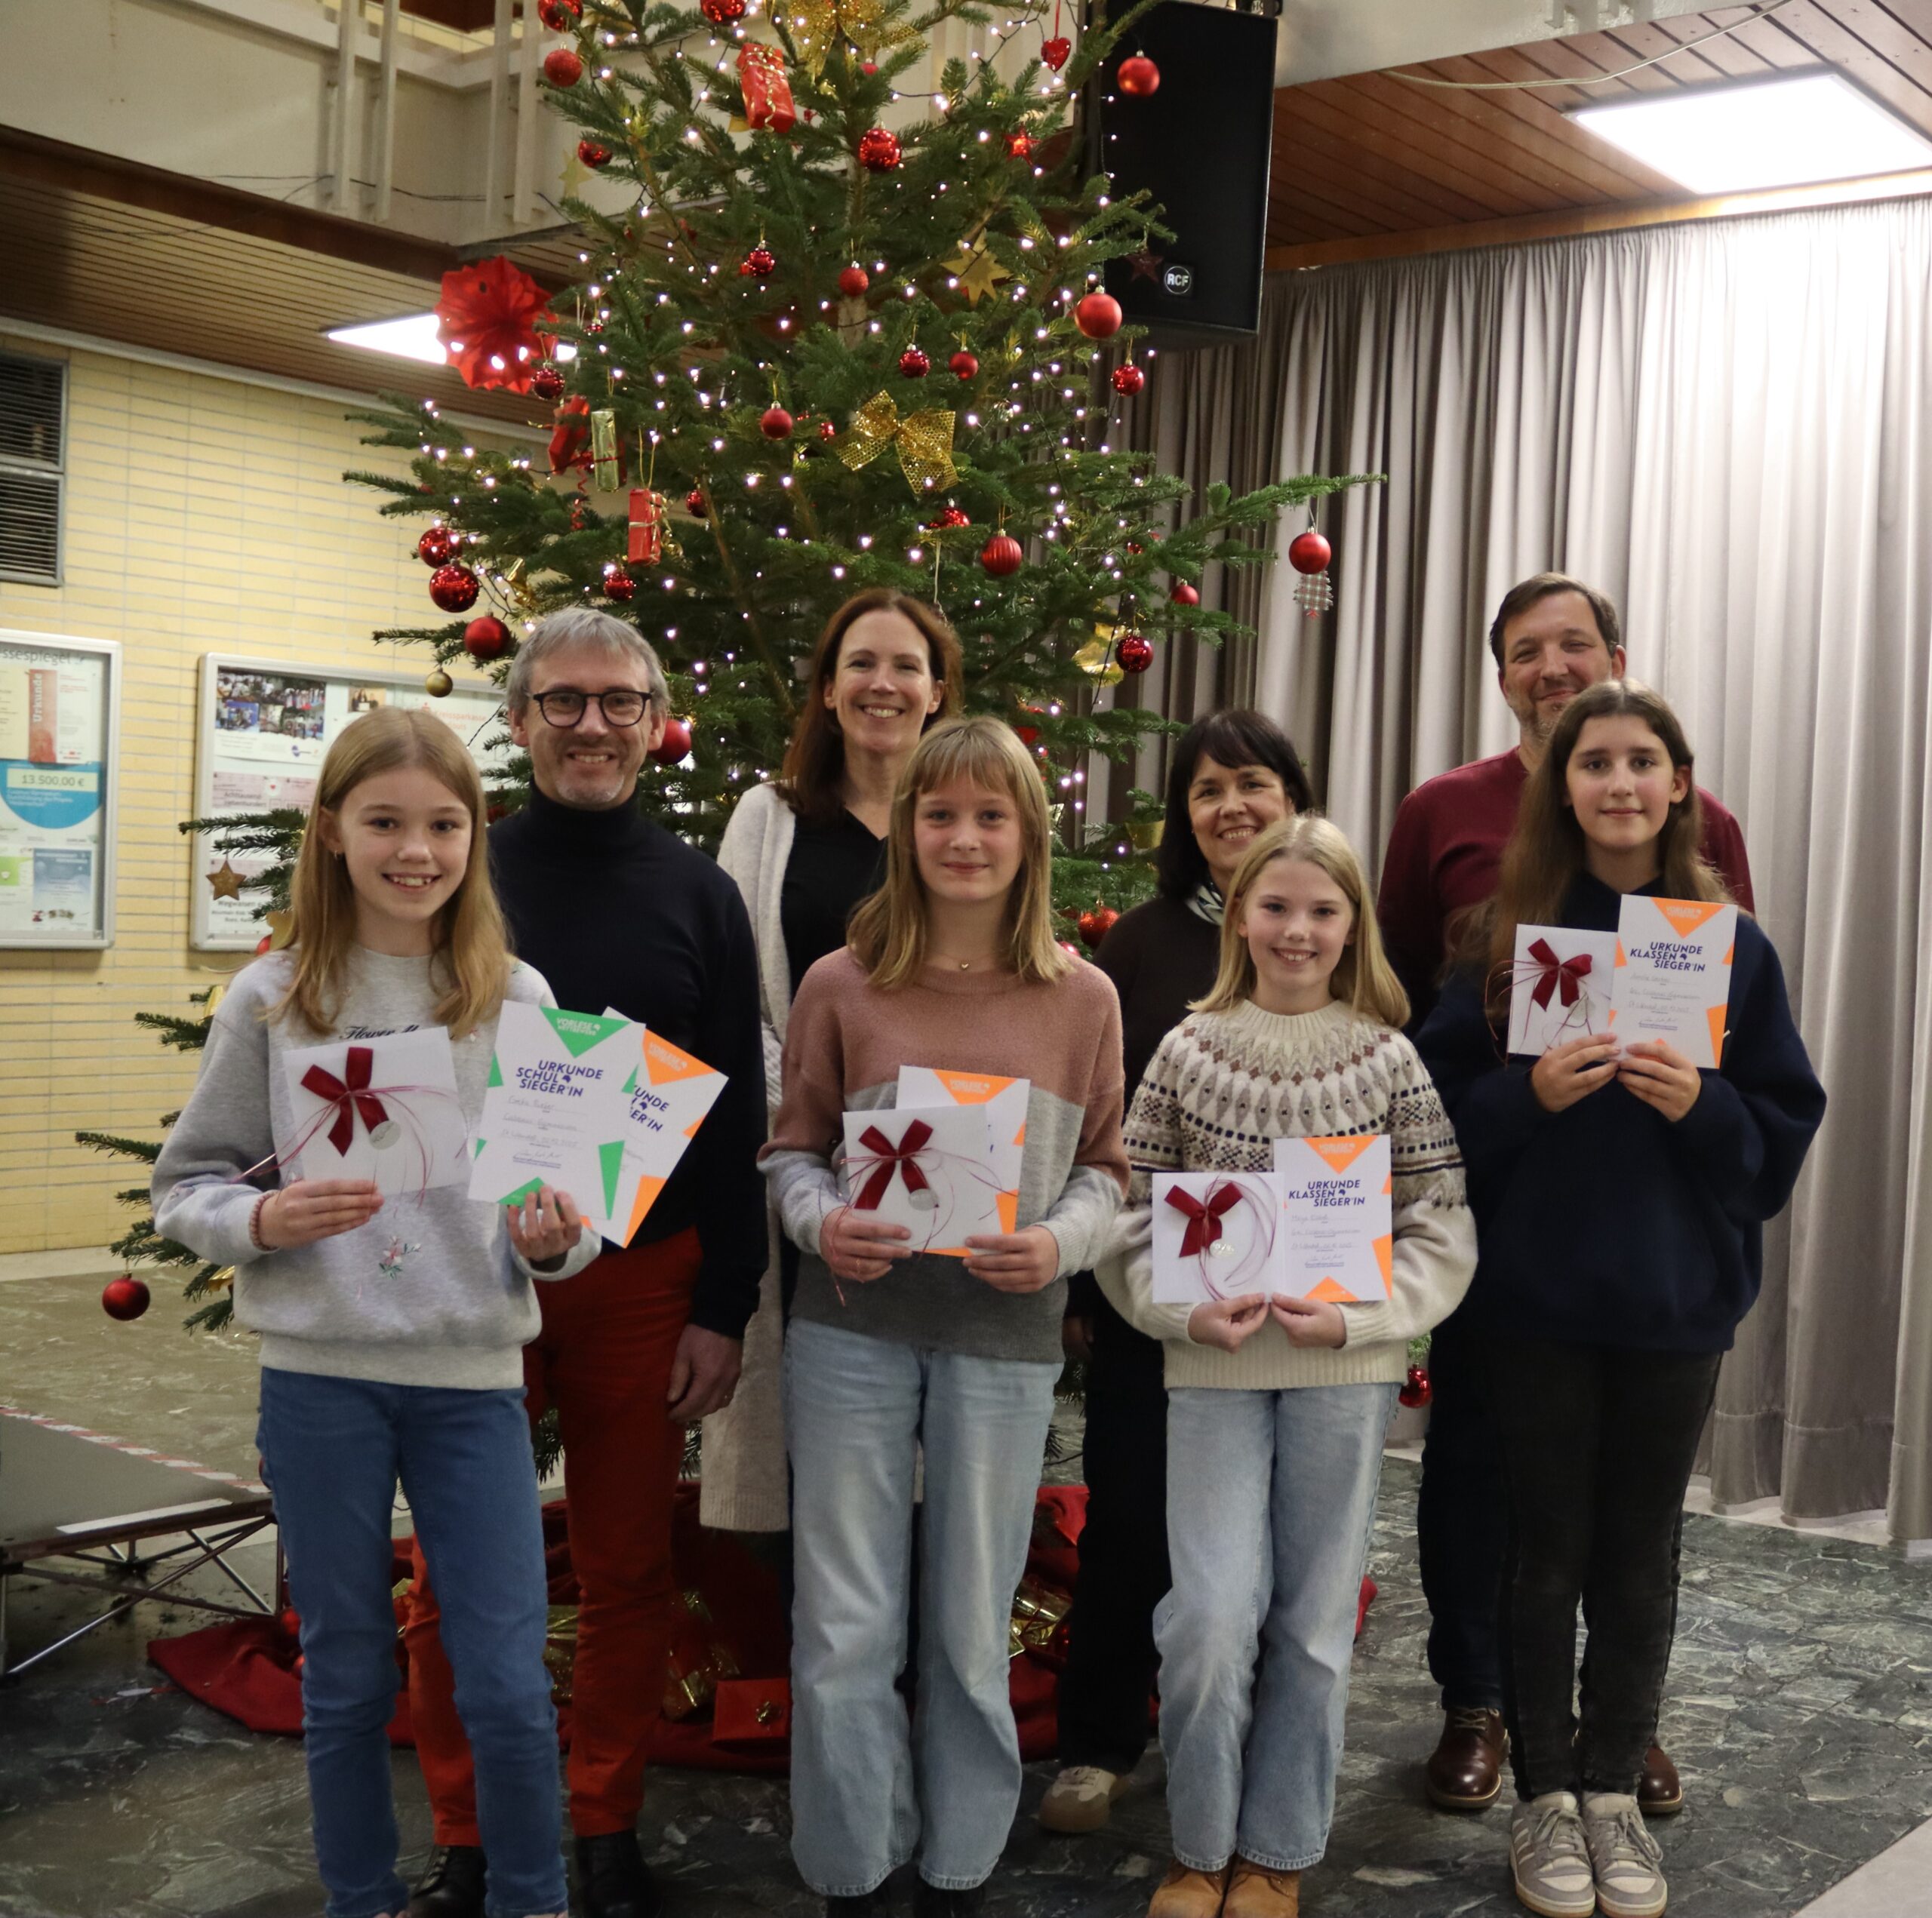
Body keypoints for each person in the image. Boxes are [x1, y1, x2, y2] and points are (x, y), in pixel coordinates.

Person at [152, 707, 599, 1918]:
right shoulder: (273, 996)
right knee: (346, 1675)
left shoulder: (517, 994)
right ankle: (359, 1897)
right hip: (319, 1379)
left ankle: (531, 1897)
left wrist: (555, 1240)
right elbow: (187, 1185)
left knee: (507, 1681)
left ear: (476, 835)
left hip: (472, 1383)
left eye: (445, 824)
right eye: (387, 821)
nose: (417, 850)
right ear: (333, 832)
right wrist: (262, 1223)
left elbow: (573, 1207)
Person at [1416, 681, 1823, 1918]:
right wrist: (1523, 1099)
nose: (1620, 782)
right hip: (1529, 1301)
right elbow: (1429, 1129)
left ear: (1679, 784)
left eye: (1644, 760)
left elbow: (1781, 1130)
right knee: (1543, 1556)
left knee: (1639, 1556)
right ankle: (1544, 1798)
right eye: (1596, 762)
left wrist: (1698, 1104)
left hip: (1671, 1302)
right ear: (1564, 785)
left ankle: (1608, 1794)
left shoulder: (1728, 944)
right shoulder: (1504, 936)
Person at [405, 610, 766, 1918]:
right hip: (472, 1273)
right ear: (520, 719)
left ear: (657, 719)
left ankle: (606, 1824)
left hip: (640, 1275)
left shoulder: (699, 894)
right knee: (458, 1567)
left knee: (623, 1569)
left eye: (620, 702)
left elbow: (733, 1113)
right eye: (563, 702)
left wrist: (722, 1304)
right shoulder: (458, 869)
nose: (593, 725)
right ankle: (468, 1836)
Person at [1376, 573, 1754, 1815]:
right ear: (1503, 680)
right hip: (1504, 1246)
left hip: (1649, 1253)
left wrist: (1698, 1122)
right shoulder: (1450, 827)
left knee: (1629, 1519)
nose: (1551, 664)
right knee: (1488, 1480)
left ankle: (1612, 1722)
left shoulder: (1713, 866)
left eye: (1573, 645)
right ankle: (1482, 1704)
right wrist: (1501, 1110)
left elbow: (1747, 1048)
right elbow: (1401, 1022)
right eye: (1526, 650)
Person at [763, 716, 1128, 1916]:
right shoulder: (841, 982)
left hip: (1004, 1337)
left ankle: (960, 1865)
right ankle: (853, 1869)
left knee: (972, 1623)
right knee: (845, 1621)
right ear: (906, 830)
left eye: (992, 815)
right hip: (851, 1331)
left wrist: (1059, 1243)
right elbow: (792, 1152)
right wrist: (821, 1223)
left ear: (1030, 835)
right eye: (941, 814)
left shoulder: (1081, 997)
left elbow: (1110, 1174)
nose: (965, 838)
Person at [1100, 814, 1476, 1918]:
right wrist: (1178, 1309)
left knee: (1312, 1619)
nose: (1298, 929)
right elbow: (1132, 1213)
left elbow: (1440, 1217)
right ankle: (1201, 1839)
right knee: (1211, 1614)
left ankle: (1279, 1845)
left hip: (1339, 1376)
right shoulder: (1185, 1049)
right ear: (1241, 915)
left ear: (1352, 921)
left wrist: (1369, 1319)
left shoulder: (1386, 1057)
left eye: (1322, 909)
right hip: (1210, 1368)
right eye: (1277, 905)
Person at [1042, 709, 1313, 1836]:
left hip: (1300, 1294)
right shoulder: (1140, 946)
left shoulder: (1327, 928)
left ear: (1293, 796)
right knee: (1129, 1520)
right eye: (1208, 790)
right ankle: (1101, 1738)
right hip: (1155, 1287)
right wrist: (1079, 1280)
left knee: (1274, 1533)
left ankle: (1251, 1733)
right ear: (1184, 817)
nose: (1231, 806)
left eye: (1253, 782)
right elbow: (1093, 1130)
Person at [701, 588, 962, 1535]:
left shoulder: (960, 817)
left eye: (905, 666)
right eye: (860, 664)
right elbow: (735, 998)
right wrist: (813, 1120)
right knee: (809, 1431)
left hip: (943, 1161)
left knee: (932, 1432)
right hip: (802, 1157)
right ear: (825, 688)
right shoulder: (769, 818)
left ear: (938, 692)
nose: (882, 684)